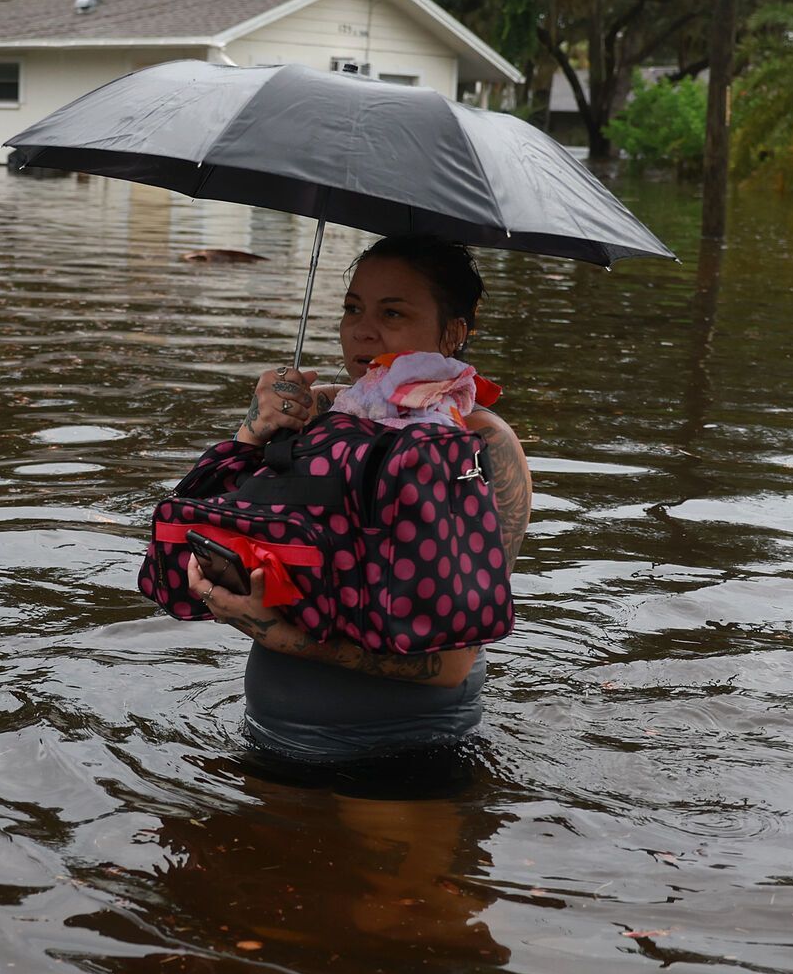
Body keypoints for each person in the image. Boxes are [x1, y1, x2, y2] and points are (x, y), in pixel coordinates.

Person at [183, 234, 533, 760]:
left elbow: (452, 662)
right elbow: (208, 524)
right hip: (270, 733)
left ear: (453, 332)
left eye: (392, 314)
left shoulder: (480, 444)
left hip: (405, 752)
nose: (362, 332)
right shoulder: (317, 414)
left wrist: (280, 637)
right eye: (352, 309)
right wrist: (254, 432)